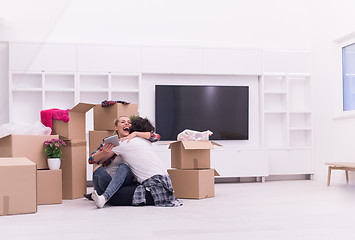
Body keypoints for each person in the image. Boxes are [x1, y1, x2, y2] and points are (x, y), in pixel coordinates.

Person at [93, 117, 182, 207]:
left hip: (152, 189)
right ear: (116, 127)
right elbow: (93, 159)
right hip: (164, 187)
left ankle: (104, 197)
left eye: (129, 123)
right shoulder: (146, 142)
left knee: (121, 174)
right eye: (123, 122)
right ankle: (103, 196)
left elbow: (156, 136)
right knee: (102, 171)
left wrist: (135, 134)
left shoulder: (123, 142)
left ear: (132, 129)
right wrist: (104, 152)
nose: (126, 124)